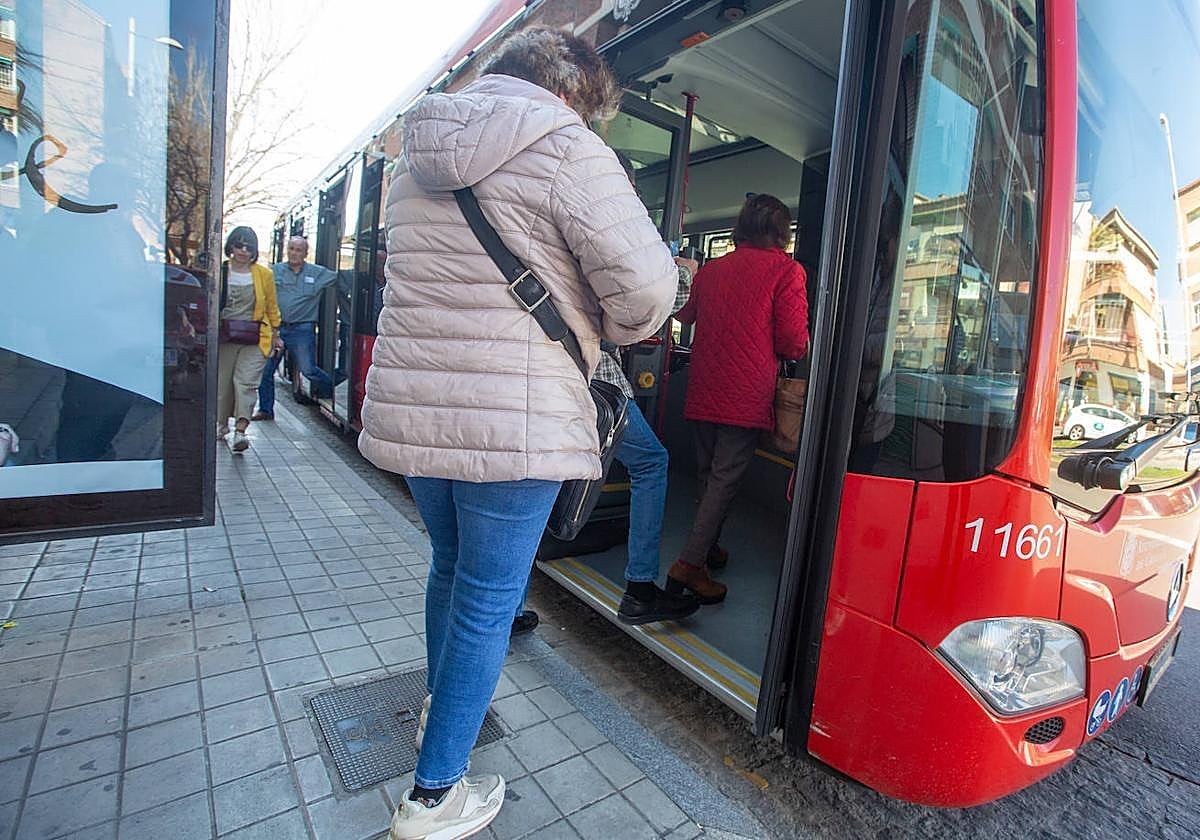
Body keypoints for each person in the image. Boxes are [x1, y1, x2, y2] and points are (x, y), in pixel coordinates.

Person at [358, 26, 678, 840]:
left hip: (419, 413)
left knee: (452, 569)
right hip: (517, 420)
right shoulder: (566, 148)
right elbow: (645, 294)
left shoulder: (413, 159)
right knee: (489, 600)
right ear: (569, 91)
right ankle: (434, 796)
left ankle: (445, 705)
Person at [514, 151, 701, 632]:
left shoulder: (542, 216)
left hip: (542, 372)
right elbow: (636, 314)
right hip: (592, 379)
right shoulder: (605, 226)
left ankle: (509, 601)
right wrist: (682, 276)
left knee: (542, 477)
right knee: (651, 461)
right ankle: (639, 587)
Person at [667, 194, 809, 604]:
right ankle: (689, 565)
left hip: (703, 386)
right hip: (745, 396)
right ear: (781, 233)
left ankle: (708, 546)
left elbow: (685, 315)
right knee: (725, 479)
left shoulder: (713, 270)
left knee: (708, 473)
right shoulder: (788, 271)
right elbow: (793, 342)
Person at [253, 236, 337, 420]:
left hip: (302, 330)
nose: (294, 253)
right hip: (277, 330)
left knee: (309, 370)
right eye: (291, 248)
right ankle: (266, 410)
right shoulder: (275, 272)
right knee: (266, 371)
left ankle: (333, 392)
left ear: (305, 254)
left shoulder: (318, 273)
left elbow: (342, 278)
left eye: (298, 250)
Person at [217, 226, 281, 452]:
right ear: (230, 246)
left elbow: (272, 307)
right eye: (239, 245)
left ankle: (240, 432)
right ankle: (221, 424)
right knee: (223, 383)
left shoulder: (264, 275)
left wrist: (275, 334)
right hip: (224, 337)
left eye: (248, 247)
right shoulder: (219, 270)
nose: (243, 251)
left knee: (246, 383)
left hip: (256, 337)